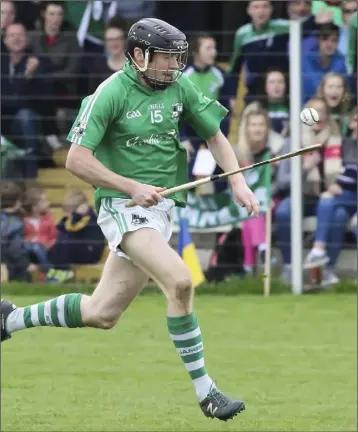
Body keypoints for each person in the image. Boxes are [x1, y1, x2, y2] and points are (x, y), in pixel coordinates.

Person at [0, 18, 260, 421]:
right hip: (124, 209)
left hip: (161, 209)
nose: (175, 66)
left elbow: (216, 136)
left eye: (178, 59)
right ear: (138, 56)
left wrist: (238, 184)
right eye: (167, 59)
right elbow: (76, 159)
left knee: (101, 314)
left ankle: (10, 319)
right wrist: (130, 186)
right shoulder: (110, 93)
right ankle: (206, 392)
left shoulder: (179, 86)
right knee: (180, 281)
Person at [303, 107, 357, 285]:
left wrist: (337, 183)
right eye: (355, 120)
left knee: (327, 197)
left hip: (351, 195)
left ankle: (318, 249)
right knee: (338, 214)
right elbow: (349, 173)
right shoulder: (348, 144)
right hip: (347, 196)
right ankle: (328, 269)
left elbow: (350, 174)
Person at [302, 23, 347, 103]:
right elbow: (306, 91)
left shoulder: (341, 61)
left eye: (334, 40)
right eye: (325, 39)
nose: (329, 44)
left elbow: (345, 93)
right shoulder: (306, 60)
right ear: (318, 40)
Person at [89, 16, 127, 92]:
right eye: (110, 40)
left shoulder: (135, 66)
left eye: (117, 39)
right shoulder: (98, 66)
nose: (114, 43)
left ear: (124, 40)